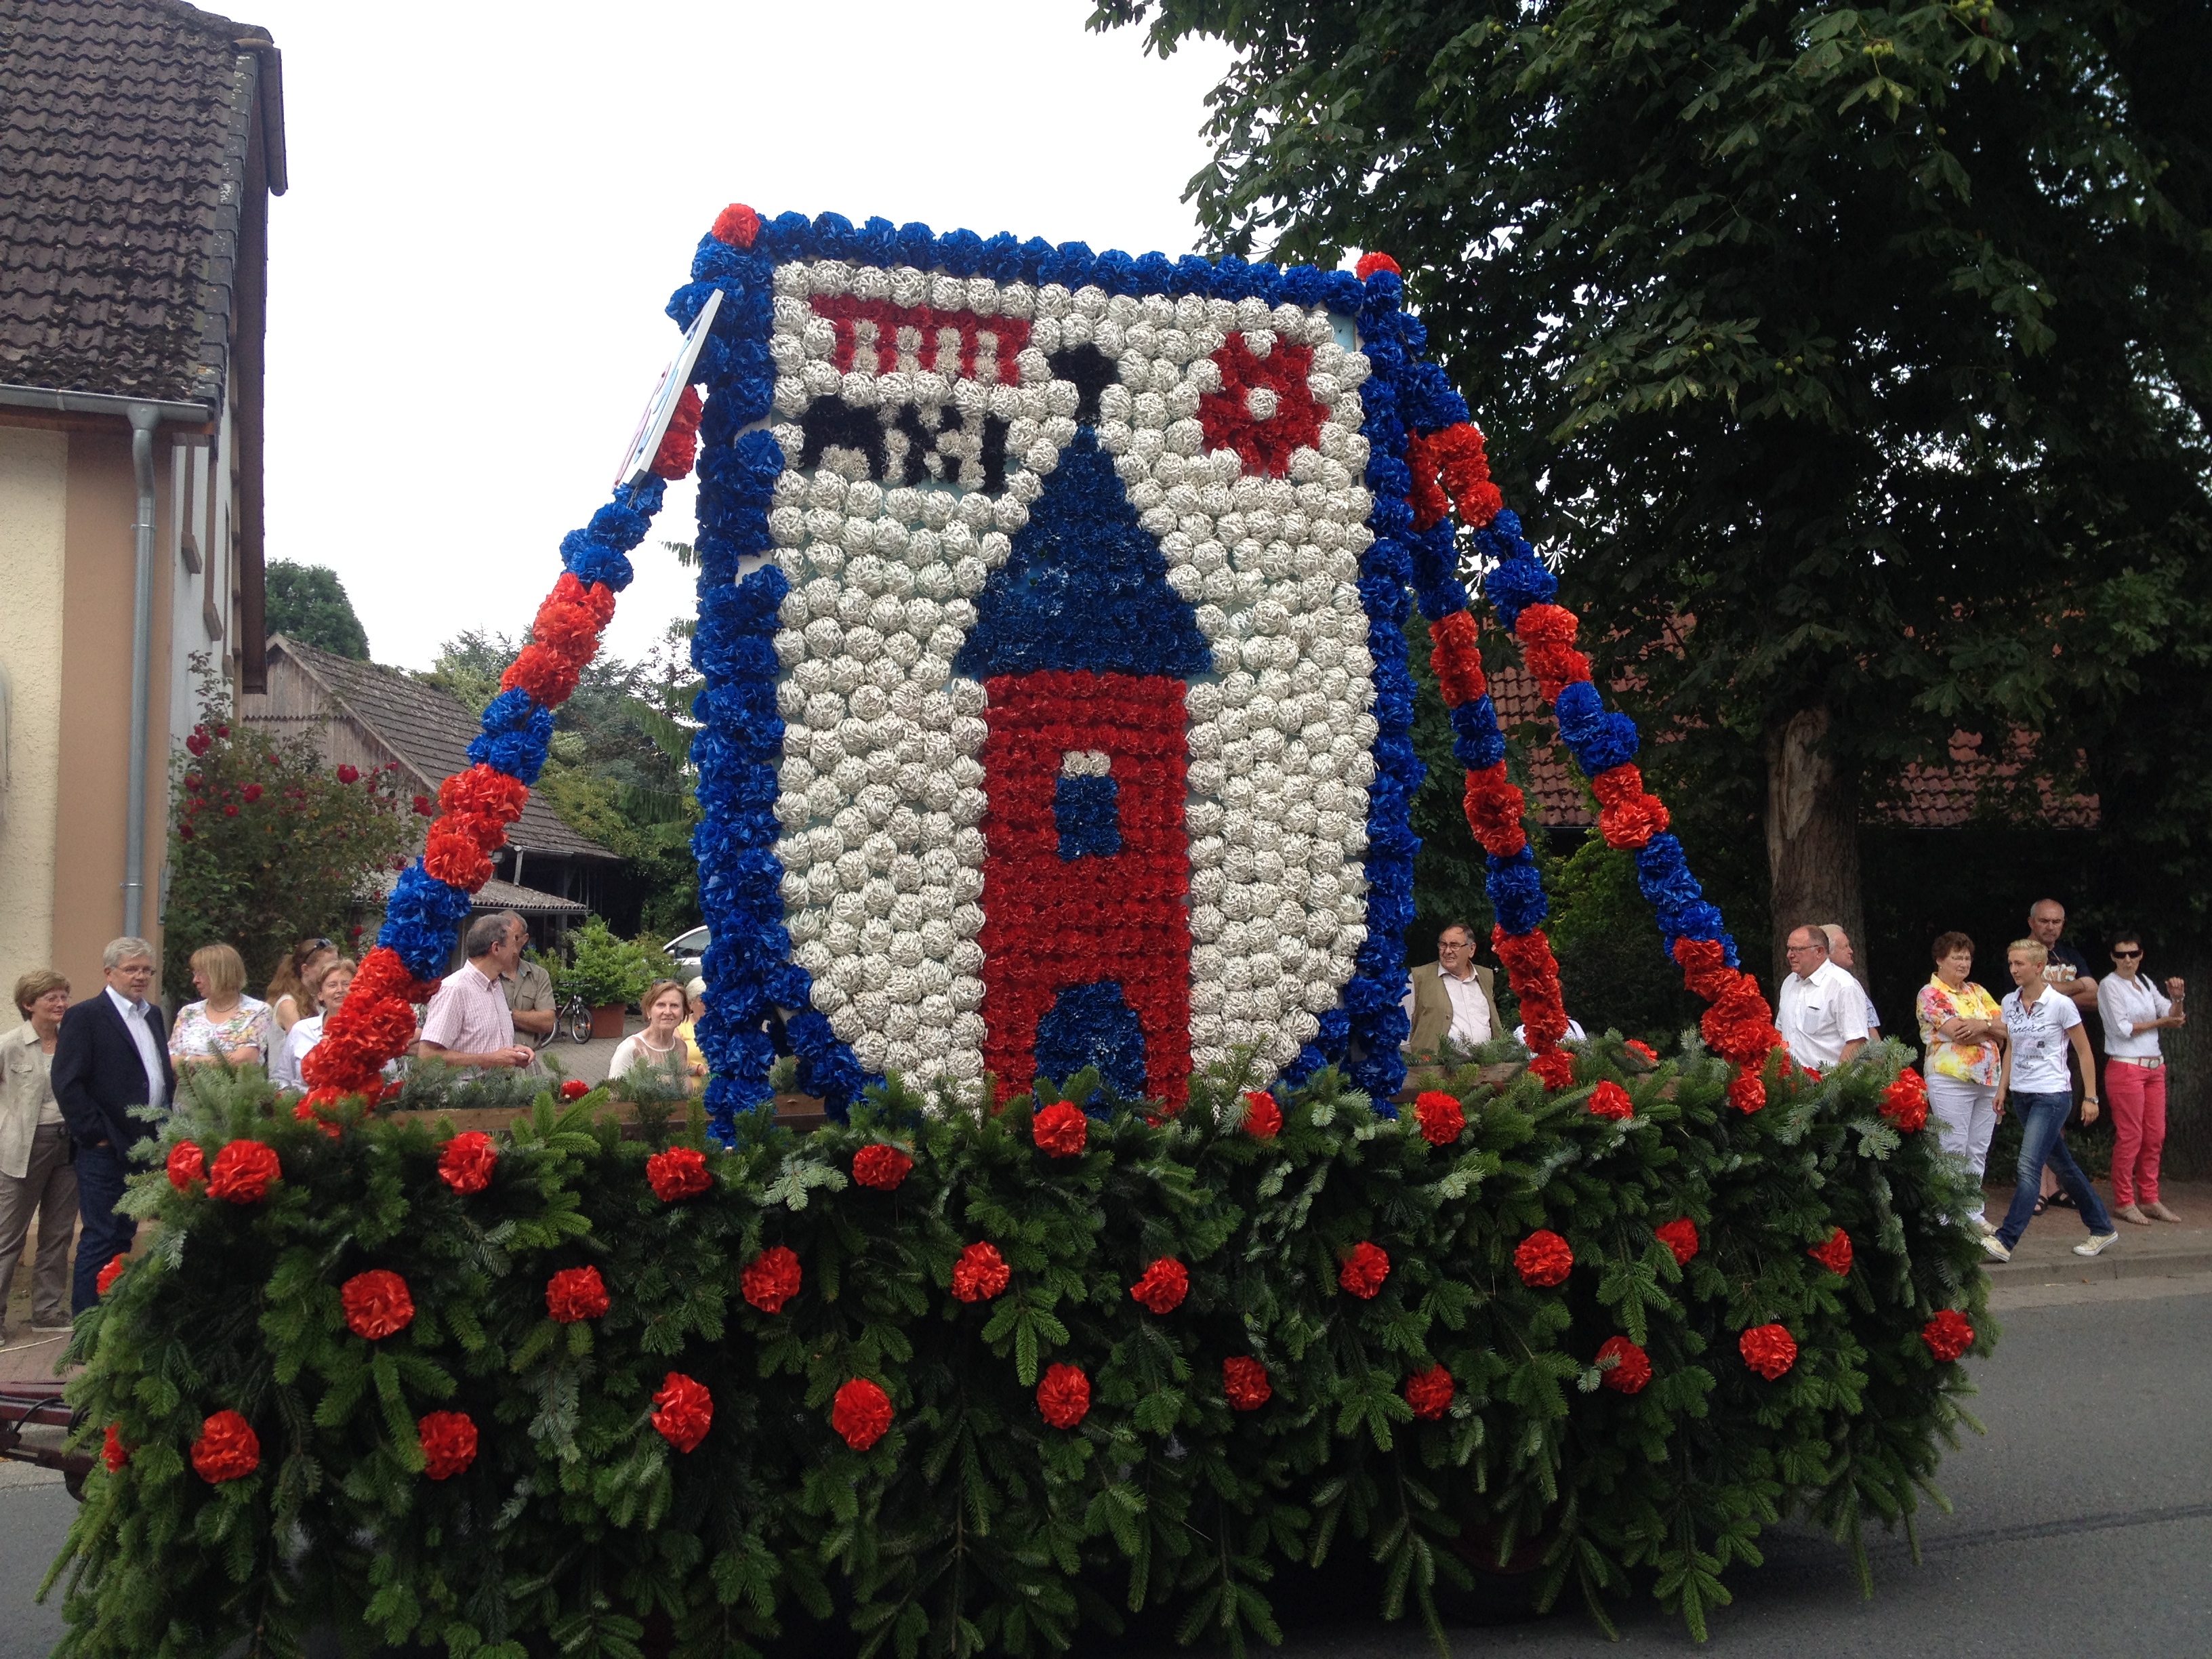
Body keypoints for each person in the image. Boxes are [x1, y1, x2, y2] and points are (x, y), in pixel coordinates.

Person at [51, 938, 173, 1314]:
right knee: (101, 1233)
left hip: (145, 1144)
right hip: (106, 1146)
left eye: (146, 970)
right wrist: (96, 1136)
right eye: (131, 969)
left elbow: (157, 1072)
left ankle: (113, 1320)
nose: (140, 977)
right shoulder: (86, 1015)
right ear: (109, 973)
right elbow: (67, 1082)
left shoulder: (152, 1014)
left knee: (124, 1233)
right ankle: (86, 1326)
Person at [1982, 939, 2118, 1263]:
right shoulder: (2009, 1002)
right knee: (2063, 1165)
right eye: (2011, 964)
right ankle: (2101, 1227)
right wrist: (2003, 1088)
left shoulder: (2060, 1004)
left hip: (2054, 1095)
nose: (2014, 970)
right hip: (2024, 1095)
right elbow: (2012, 1046)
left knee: (2029, 1166)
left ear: (2039, 967)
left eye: (2020, 964)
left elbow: (2084, 1051)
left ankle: (2005, 1239)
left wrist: (2091, 1097)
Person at [0, 971, 79, 1340]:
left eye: (64, 996)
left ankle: (47, 1311)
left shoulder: (74, 1042)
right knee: (8, 1237)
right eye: (51, 998)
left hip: (69, 1143)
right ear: (29, 1004)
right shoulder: (9, 1045)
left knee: (58, 1232)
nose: (61, 1003)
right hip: (22, 1147)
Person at [1914, 933, 2007, 1234]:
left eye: (1967, 957)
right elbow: (1957, 1032)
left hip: (1988, 1079)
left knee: (1978, 1148)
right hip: (1950, 1079)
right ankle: (1948, 1217)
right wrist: (1991, 1032)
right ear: (1940, 960)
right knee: (1952, 1146)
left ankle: (1972, 1213)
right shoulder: (1931, 993)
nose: (1964, 963)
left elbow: (2009, 1028)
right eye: (1957, 957)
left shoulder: (1978, 991)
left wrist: (1982, 1026)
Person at [2097, 930, 2186, 1226]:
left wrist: (2178, 999)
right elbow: (2123, 1028)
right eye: (2121, 954)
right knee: (2131, 1136)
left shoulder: (2145, 982)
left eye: (2133, 954)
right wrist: (2164, 1021)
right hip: (2126, 1067)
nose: (2127, 960)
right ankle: (2124, 1201)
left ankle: (2149, 1197)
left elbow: (2173, 1014)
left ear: (2140, 955)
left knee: (2155, 1135)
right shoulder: (2110, 986)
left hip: (2154, 1068)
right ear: (2113, 957)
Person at [2025, 899, 2100, 1208]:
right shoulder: (2021, 954)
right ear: (2031, 923)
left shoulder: (2069, 955)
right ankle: (2037, 1188)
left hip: (2065, 1048)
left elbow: (2095, 996)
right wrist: (2073, 987)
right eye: (2044, 921)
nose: (2050, 927)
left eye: (2056, 922)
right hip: (2033, 1047)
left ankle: (2053, 1185)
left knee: (2059, 1116)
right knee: (2038, 1116)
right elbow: (2029, 993)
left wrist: (2052, 989)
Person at [414, 913, 535, 1075]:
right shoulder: (454, 989)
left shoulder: (496, 985)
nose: (516, 950)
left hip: (498, 1095)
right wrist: (490, 1060)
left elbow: (480, 1044)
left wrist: (513, 1052)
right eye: (513, 943)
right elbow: (427, 1056)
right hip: (463, 1097)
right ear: (496, 948)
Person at [1402, 922, 1507, 1054]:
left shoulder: (1485, 977)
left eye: (1454, 945)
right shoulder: (1419, 978)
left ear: (1471, 949)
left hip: (1485, 1068)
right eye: (1443, 945)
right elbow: (1403, 1034)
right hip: (1434, 1071)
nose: (1447, 951)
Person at [1776, 926, 1869, 1071]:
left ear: (1819, 951)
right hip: (1790, 1087)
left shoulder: (1843, 986)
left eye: (1797, 950)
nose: (1790, 955)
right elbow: (1781, 1033)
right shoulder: (1789, 983)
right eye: (1789, 949)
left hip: (1826, 1085)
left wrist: (1831, 1085)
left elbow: (1856, 1042)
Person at [167, 943, 272, 1069]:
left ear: (221, 974)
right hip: (188, 1089)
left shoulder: (257, 1011)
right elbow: (170, 1060)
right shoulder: (188, 1013)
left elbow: (244, 1060)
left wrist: (187, 1061)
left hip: (235, 1089)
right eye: (195, 974)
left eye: (200, 973)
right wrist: (224, 1061)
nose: (195, 980)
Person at [272, 956, 356, 1092]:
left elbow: (388, 1079)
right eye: (332, 985)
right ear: (321, 995)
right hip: (303, 1107)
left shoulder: (370, 1032)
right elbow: (280, 1078)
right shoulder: (301, 1030)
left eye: (346, 984)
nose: (340, 990)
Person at [609, 981, 697, 1088]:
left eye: (674, 1005)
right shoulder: (631, 1048)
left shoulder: (681, 1047)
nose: (668, 1011)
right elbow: (614, 1097)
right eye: (661, 1005)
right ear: (649, 1011)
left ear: (683, 1012)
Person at [1818, 924, 1881, 1040]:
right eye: (1845, 947)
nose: (1851, 951)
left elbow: (1871, 1032)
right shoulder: (1800, 984)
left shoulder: (1849, 985)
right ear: (1827, 951)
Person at [267, 937, 340, 1034]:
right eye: (326, 968)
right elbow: (304, 1044)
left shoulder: (320, 1000)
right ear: (305, 969)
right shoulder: (289, 1005)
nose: (333, 973)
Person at [504, 944, 557, 1042]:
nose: (512, 943)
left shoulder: (538, 975)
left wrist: (508, 1015)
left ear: (525, 938)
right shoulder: (488, 976)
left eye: (516, 937)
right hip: (495, 1055)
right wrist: (530, 1018)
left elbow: (547, 1022)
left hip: (528, 1054)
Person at [677, 978, 708, 1076]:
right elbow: (673, 1066)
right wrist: (698, 1069)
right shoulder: (678, 1027)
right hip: (691, 1089)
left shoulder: (724, 1026)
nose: (710, 1004)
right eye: (703, 1000)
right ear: (690, 1004)